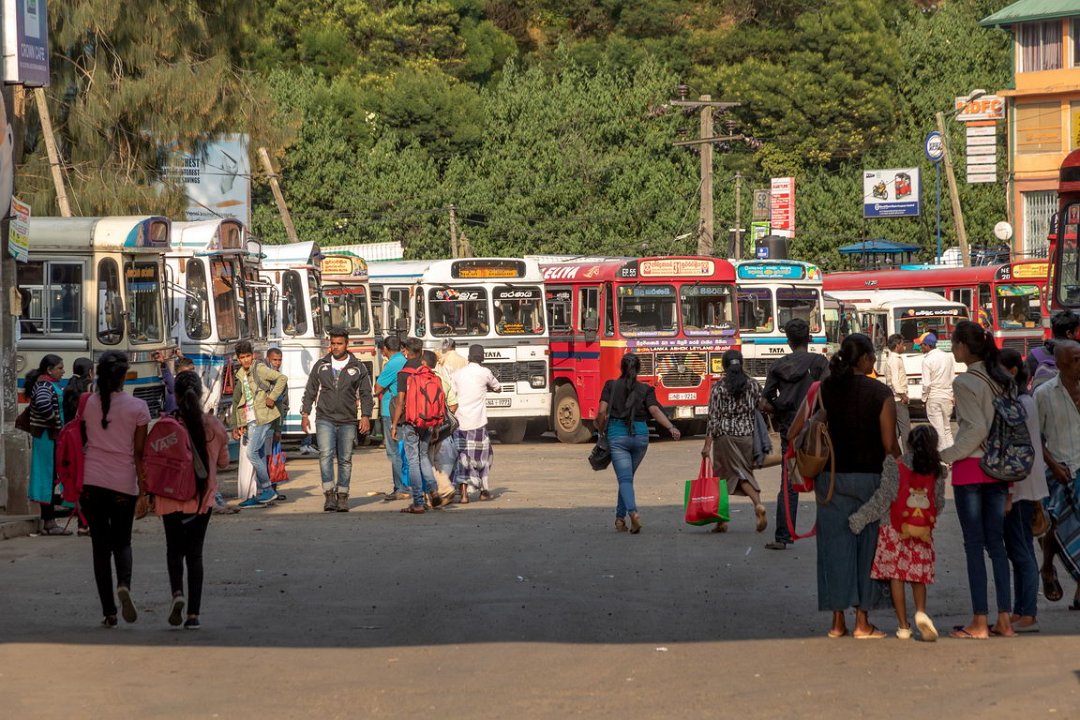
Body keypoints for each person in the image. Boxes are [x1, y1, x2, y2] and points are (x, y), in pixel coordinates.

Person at [791, 333, 898, 639]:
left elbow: (795, 431)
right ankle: (862, 621)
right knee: (868, 549)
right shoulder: (880, 392)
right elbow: (890, 444)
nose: (874, 361)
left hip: (831, 479)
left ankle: (837, 621)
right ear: (863, 358)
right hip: (871, 481)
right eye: (872, 357)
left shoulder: (823, 389)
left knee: (834, 548)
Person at [940, 320, 1015, 639]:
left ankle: (979, 622)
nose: (954, 349)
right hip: (1001, 470)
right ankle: (1005, 620)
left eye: (955, 343)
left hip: (971, 470)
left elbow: (975, 430)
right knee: (996, 545)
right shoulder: (1002, 378)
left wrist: (946, 455)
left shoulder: (966, 382)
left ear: (964, 347)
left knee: (974, 545)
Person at [849, 425, 946, 641]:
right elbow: (938, 503)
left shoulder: (895, 465)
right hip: (921, 531)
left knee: (897, 577)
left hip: (894, 528)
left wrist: (860, 518)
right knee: (917, 575)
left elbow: (883, 498)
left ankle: (903, 626)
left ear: (909, 443)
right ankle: (921, 611)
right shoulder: (938, 470)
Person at [154, 371, 230, 629]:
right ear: (200, 394)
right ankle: (193, 615)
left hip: (170, 496)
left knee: (173, 549)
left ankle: (177, 593)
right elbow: (223, 462)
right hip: (200, 499)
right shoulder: (213, 425)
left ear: (176, 395)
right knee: (194, 555)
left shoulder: (166, 425)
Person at [81, 352, 151, 627]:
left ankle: (109, 612)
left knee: (100, 548)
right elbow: (139, 454)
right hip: (122, 484)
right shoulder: (138, 408)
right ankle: (124, 584)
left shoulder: (89, 404)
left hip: (91, 482)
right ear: (123, 377)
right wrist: (145, 492)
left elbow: (86, 438)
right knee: (122, 542)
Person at [761, 318, 829, 550]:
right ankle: (829, 532)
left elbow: (764, 401)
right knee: (824, 478)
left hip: (789, 430)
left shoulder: (778, 365)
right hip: (818, 430)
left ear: (788, 341)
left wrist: (778, 409)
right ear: (808, 338)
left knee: (788, 482)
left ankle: (783, 535)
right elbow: (830, 394)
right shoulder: (820, 362)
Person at [595, 353, 681, 533]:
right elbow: (655, 410)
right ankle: (620, 519)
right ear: (639, 369)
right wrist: (671, 427)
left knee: (624, 478)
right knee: (626, 478)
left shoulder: (611, 386)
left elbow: (602, 411)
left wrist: (601, 428)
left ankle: (633, 513)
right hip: (641, 437)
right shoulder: (645, 389)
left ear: (621, 367)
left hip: (617, 436)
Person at [1000, 348, 1049, 632]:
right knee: (1021, 551)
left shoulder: (1019, 402)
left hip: (1020, 486)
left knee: (1021, 552)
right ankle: (1022, 609)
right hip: (1025, 484)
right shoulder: (1023, 401)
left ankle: (1027, 611)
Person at [300, 328, 374, 512]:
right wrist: (305, 414)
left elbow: (366, 394)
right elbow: (310, 390)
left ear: (347, 344)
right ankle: (329, 495)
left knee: (345, 459)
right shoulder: (321, 365)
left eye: (339, 343)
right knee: (325, 455)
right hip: (324, 418)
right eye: (333, 343)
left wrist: (365, 416)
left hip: (348, 420)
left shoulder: (358, 367)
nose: (335, 347)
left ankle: (343, 496)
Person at [1034, 339, 1080, 613]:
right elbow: (1035, 437)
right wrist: (1051, 465)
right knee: (1054, 527)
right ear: (1059, 364)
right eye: (1073, 360)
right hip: (1058, 469)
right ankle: (1048, 566)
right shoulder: (1044, 394)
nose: (1078, 365)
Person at [701, 349, 767, 534]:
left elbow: (713, 417)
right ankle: (730, 516)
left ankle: (751, 507)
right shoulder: (753, 385)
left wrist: (707, 445)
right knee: (741, 472)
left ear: (723, 366)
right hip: (747, 436)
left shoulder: (719, 387)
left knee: (725, 478)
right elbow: (761, 406)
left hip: (725, 437)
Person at [231, 340, 287, 508]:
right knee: (260, 455)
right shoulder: (241, 374)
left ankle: (268, 489)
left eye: (248, 356)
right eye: (242, 357)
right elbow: (240, 401)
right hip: (250, 419)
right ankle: (261, 495)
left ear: (253, 355)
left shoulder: (259, 368)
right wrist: (238, 424)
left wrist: (272, 397)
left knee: (252, 453)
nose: (246, 360)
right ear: (238, 359)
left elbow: (281, 378)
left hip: (263, 417)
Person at [391, 337, 441, 514]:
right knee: (423, 456)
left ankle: (418, 502)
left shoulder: (404, 373)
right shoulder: (429, 372)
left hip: (411, 422)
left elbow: (400, 402)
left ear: (406, 351)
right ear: (421, 351)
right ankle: (433, 489)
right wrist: (435, 426)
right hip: (428, 421)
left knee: (413, 460)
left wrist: (394, 424)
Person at [451, 344, 502, 503]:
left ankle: (464, 494)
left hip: (460, 423)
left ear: (468, 357)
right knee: (484, 458)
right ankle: (484, 491)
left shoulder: (457, 374)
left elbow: (452, 394)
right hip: (478, 424)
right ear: (483, 358)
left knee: (462, 459)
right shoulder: (485, 372)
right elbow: (498, 387)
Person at [26, 354, 70, 536]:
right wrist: (53, 421)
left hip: (48, 439)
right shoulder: (45, 385)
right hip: (46, 439)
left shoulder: (46, 383)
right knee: (48, 479)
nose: (63, 371)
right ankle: (50, 523)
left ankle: (49, 521)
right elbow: (43, 404)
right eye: (60, 368)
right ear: (49, 370)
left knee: (49, 479)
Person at [374, 336, 409, 501]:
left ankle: (401, 488)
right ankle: (406, 485)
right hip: (404, 411)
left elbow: (377, 388)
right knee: (404, 450)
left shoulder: (392, 364)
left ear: (385, 349)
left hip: (391, 412)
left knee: (394, 452)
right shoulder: (404, 360)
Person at [423, 350, 460, 504]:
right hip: (441, 428)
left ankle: (440, 490)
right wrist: (443, 419)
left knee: (424, 459)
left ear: (423, 364)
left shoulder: (422, 379)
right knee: (433, 460)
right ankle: (443, 487)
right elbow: (454, 404)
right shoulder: (442, 379)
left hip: (426, 425)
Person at [1025, 309, 1080, 390]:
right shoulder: (1077, 356)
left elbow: (1023, 384)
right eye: (1077, 331)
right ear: (1069, 333)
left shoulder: (1035, 354)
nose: (1078, 334)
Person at [919, 332, 954, 451]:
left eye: (922, 345)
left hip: (934, 397)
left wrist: (924, 398)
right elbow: (951, 377)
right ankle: (952, 457)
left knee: (938, 430)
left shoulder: (927, 361)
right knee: (947, 428)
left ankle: (943, 459)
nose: (921, 348)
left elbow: (926, 384)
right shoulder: (948, 357)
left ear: (928, 346)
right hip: (947, 397)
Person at [265, 347, 289, 500]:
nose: (277, 363)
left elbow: (284, 404)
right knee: (264, 458)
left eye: (279, 360)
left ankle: (273, 489)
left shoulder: (281, 379)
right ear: (268, 359)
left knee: (274, 458)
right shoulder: (264, 378)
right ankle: (266, 489)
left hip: (276, 425)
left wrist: (279, 427)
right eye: (274, 360)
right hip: (264, 424)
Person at [883, 334, 909, 453]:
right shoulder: (894, 360)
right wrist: (903, 395)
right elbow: (895, 380)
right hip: (898, 399)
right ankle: (908, 457)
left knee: (897, 430)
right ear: (897, 345)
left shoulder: (894, 358)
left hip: (895, 398)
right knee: (905, 430)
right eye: (903, 344)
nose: (904, 347)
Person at [62, 357, 94, 426]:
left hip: (70, 431)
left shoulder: (68, 387)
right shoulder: (91, 388)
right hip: (87, 431)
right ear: (90, 372)